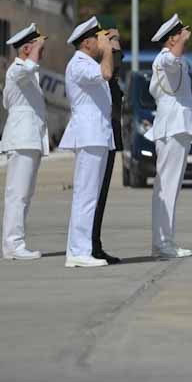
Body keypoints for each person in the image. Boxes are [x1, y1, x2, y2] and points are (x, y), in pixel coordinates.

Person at [59, 17, 117, 268]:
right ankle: (78, 251)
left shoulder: (87, 63)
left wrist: (108, 47)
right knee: (86, 195)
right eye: (98, 38)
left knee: (89, 195)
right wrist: (107, 51)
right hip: (89, 135)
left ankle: (79, 250)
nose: (102, 43)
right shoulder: (79, 64)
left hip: (96, 135)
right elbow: (107, 73)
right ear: (86, 42)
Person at [0, 23, 49, 260]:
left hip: (29, 139)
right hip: (22, 140)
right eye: (39, 47)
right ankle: (13, 244)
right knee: (17, 194)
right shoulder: (17, 70)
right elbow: (27, 69)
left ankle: (15, 243)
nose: (42, 51)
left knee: (24, 194)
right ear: (27, 48)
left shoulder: (26, 73)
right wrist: (34, 52)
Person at [146, 14, 192, 259]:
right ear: (172, 38)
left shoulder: (174, 59)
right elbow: (172, 60)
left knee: (169, 187)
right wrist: (181, 42)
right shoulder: (165, 57)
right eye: (180, 33)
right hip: (172, 127)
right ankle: (163, 243)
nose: (185, 35)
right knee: (167, 186)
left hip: (177, 126)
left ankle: (163, 241)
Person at [91, 35, 124, 265]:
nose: (117, 55)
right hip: (100, 137)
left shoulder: (111, 72)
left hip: (110, 137)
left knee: (100, 197)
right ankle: (91, 245)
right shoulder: (99, 72)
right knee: (94, 196)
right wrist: (106, 48)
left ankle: (95, 244)